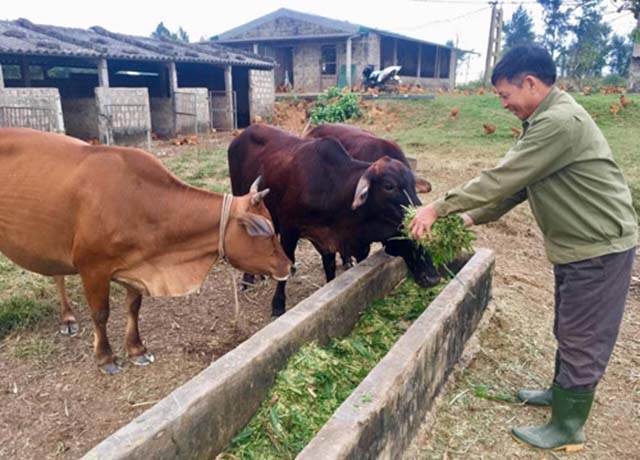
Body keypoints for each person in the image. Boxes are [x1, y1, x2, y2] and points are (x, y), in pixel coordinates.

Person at [409, 43, 637, 452]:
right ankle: (560, 393)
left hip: (598, 247)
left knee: (583, 333)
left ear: (530, 83)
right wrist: (469, 218)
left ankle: (568, 427)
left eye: (504, 95)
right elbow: (519, 187)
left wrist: (437, 208)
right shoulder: (545, 120)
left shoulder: (560, 122)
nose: (503, 104)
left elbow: (501, 176)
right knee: (569, 326)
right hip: (578, 244)